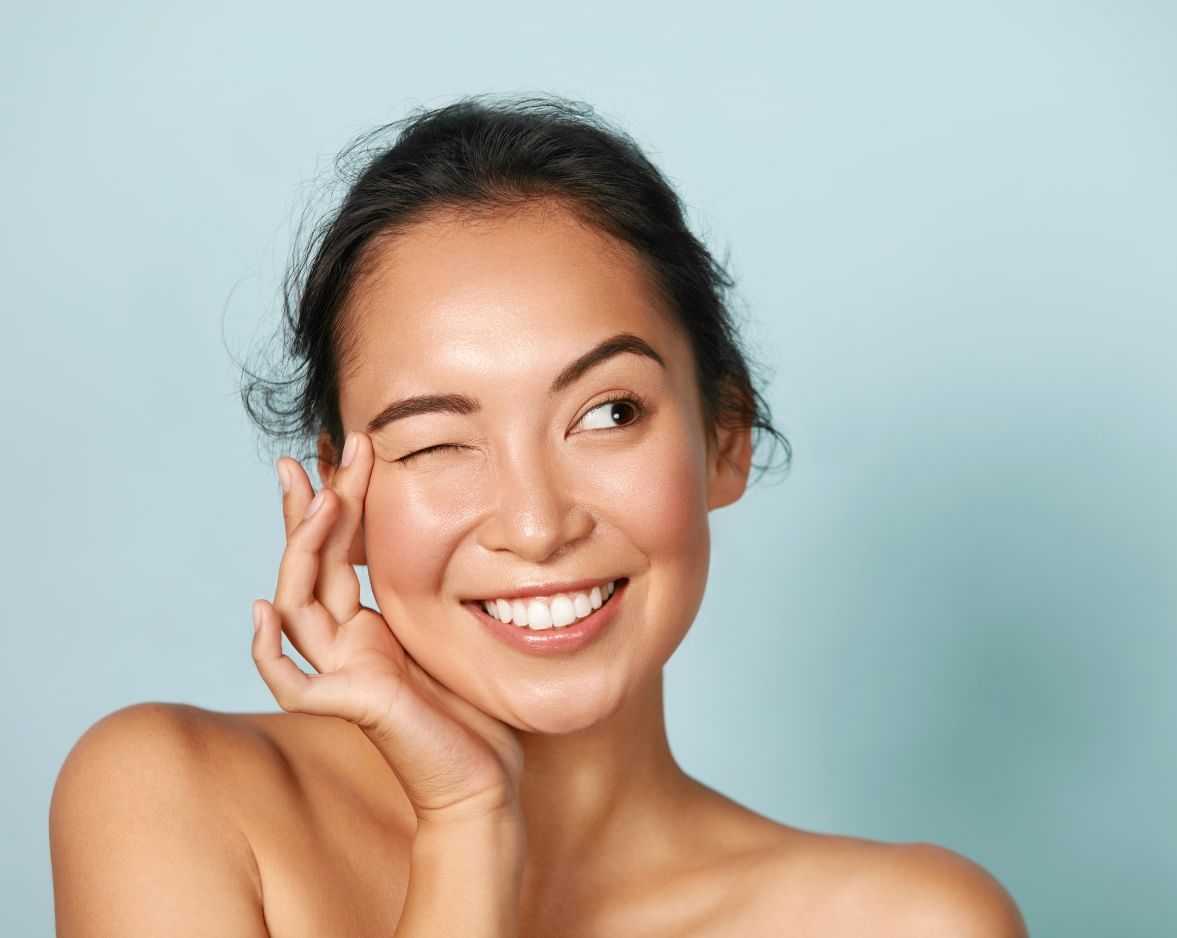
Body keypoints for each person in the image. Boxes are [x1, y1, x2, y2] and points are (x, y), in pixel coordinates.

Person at [49, 93, 1028, 937]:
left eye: (608, 413)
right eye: (435, 439)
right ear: (339, 497)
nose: (534, 521)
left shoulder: (905, 919)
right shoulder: (172, 798)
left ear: (722, 436)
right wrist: (466, 816)